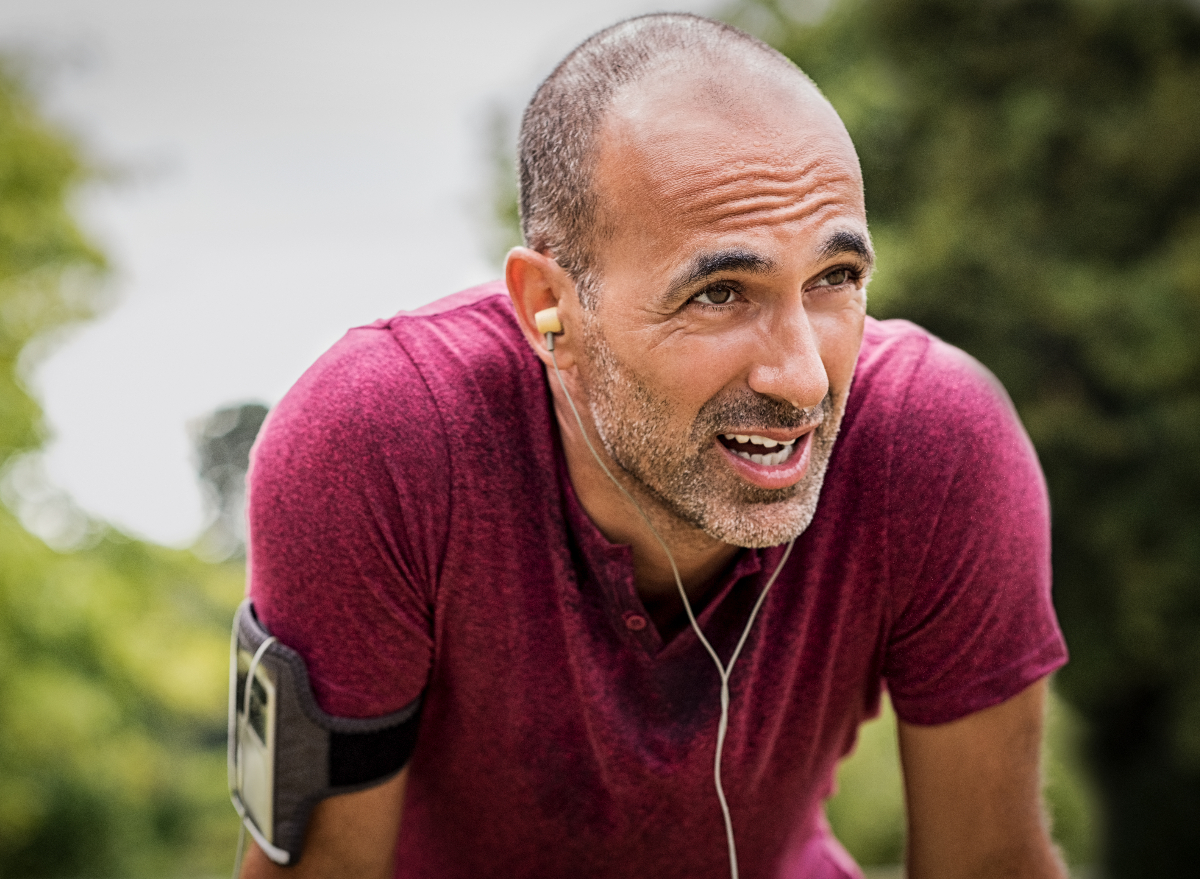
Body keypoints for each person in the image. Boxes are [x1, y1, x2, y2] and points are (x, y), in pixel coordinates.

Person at [239, 13, 1068, 879]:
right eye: (719, 292)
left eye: (835, 279)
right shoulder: (377, 444)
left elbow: (992, 863)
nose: (804, 380)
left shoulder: (934, 440)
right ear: (546, 308)